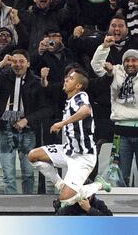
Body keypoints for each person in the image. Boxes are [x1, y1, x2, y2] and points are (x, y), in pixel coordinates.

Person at [28, 69, 111, 207]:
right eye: (66, 77)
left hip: (83, 157)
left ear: (78, 85)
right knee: (33, 156)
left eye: (71, 78)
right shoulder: (69, 100)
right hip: (68, 151)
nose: (66, 80)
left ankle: (98, 185)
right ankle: (61, 184)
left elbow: (85, 110)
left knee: (65, 200)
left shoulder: (80, 96)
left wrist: (62, 123)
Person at [0, 50, 52, 194]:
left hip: (28, 132)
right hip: (5, 130)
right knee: (8, 175)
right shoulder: (2, 77)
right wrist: (1, 64)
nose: (17, 65)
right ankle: (11, 206)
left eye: (21, 62)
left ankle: (29, 207)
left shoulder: (36, 81)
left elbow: (47, 109)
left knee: (28, 174)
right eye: (14, 62)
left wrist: (27, 119)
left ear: (28, 63)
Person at [91, 47, 138, 186]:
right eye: (127, 60)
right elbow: (96, 65)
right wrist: (104, 46)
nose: (130, 64)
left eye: (134, 60)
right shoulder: (116, 71)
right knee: (119, 174)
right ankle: (121, 207)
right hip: (120, 132)